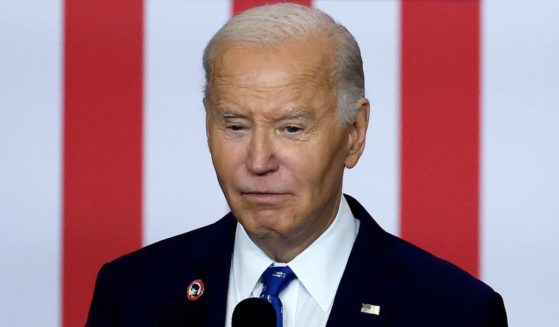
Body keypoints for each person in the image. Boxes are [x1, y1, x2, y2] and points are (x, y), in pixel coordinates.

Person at [86, 4, 507, 327]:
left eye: (290, 128)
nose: (258, 160)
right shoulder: (130, 294)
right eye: (235, 126)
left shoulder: (456, 311)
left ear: (354, 133)